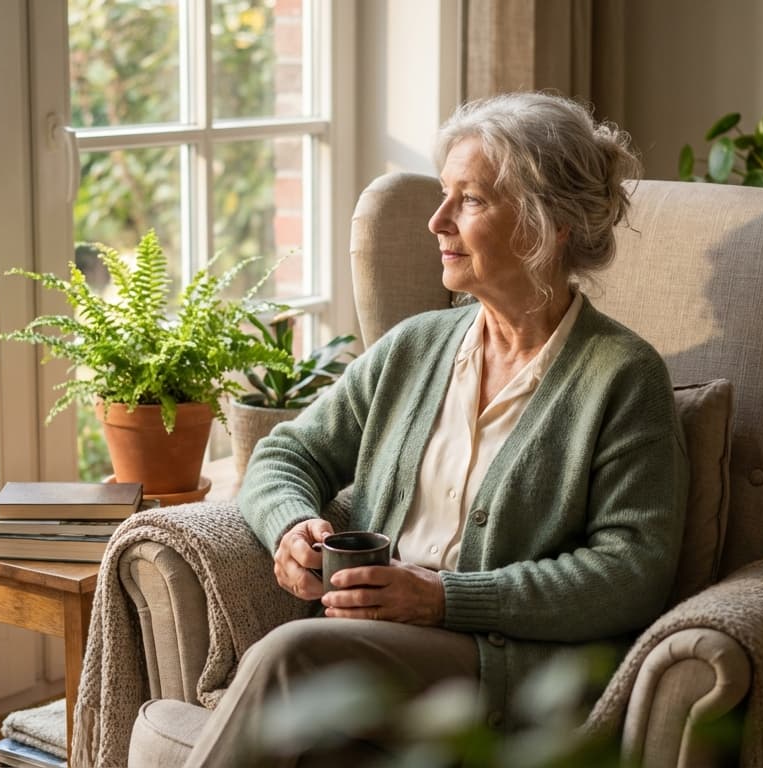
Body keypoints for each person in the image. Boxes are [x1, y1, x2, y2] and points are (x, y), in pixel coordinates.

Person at [183, 91, 689, 767]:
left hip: (500, 668)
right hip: (374, 644)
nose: (436, 221)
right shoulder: (415, 347)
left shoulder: (623, 377)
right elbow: (288, 451)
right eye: (443, 195)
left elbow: (632, 571)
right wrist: (289, 526)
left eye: (470, 200)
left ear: (549, 225)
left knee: (292, 656)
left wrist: (445, 599)